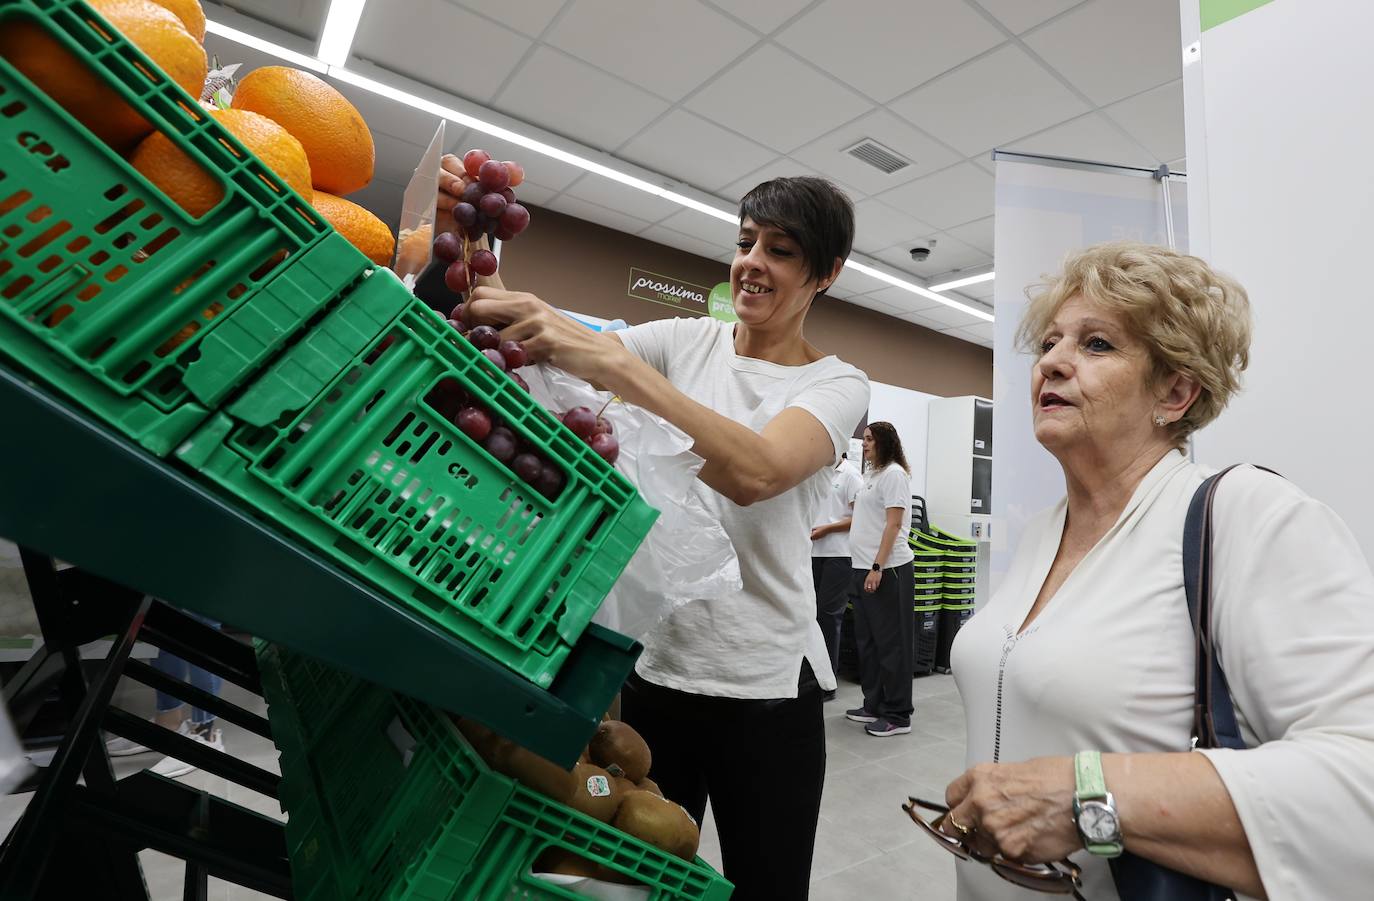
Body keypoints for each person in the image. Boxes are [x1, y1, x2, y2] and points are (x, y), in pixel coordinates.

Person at [454, 169, 869, 899]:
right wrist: (466, 246)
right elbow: (556, 347)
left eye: (781, 250)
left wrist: (617, 365)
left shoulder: (836, 384)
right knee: (640, 877)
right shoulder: (683, 340)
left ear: (825, 274)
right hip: (656, 675)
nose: (753, 264)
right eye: (746, 243)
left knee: (767, 884)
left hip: (766, 686)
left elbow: (759, 469)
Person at [941, 241, 1374, 900]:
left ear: (1175, 391)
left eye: (1096, 345)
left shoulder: (1248, 516)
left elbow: (1363, 778)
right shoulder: (1039, 534)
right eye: (1051, 342)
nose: (1053, 361)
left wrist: (1089, 792)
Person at [843, 422, 915, 737]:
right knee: (868, 642)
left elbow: (894, 525)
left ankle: (898, 715)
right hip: (861, 567)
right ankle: (873, 704)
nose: (865, 444)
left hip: (888, 569)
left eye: (870, 439)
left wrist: (877, 566)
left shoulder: (894, 474)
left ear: (885, 442)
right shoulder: (871, 475)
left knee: (892, 644)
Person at [810, 451, 863, 697]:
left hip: (838, 554)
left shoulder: (850, 475)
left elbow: (860, 518)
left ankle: (827, 682)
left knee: (829, 616)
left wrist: (828, 528)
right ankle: (812, 675)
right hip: (811, 553)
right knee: (810, 615)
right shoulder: (816, 473)